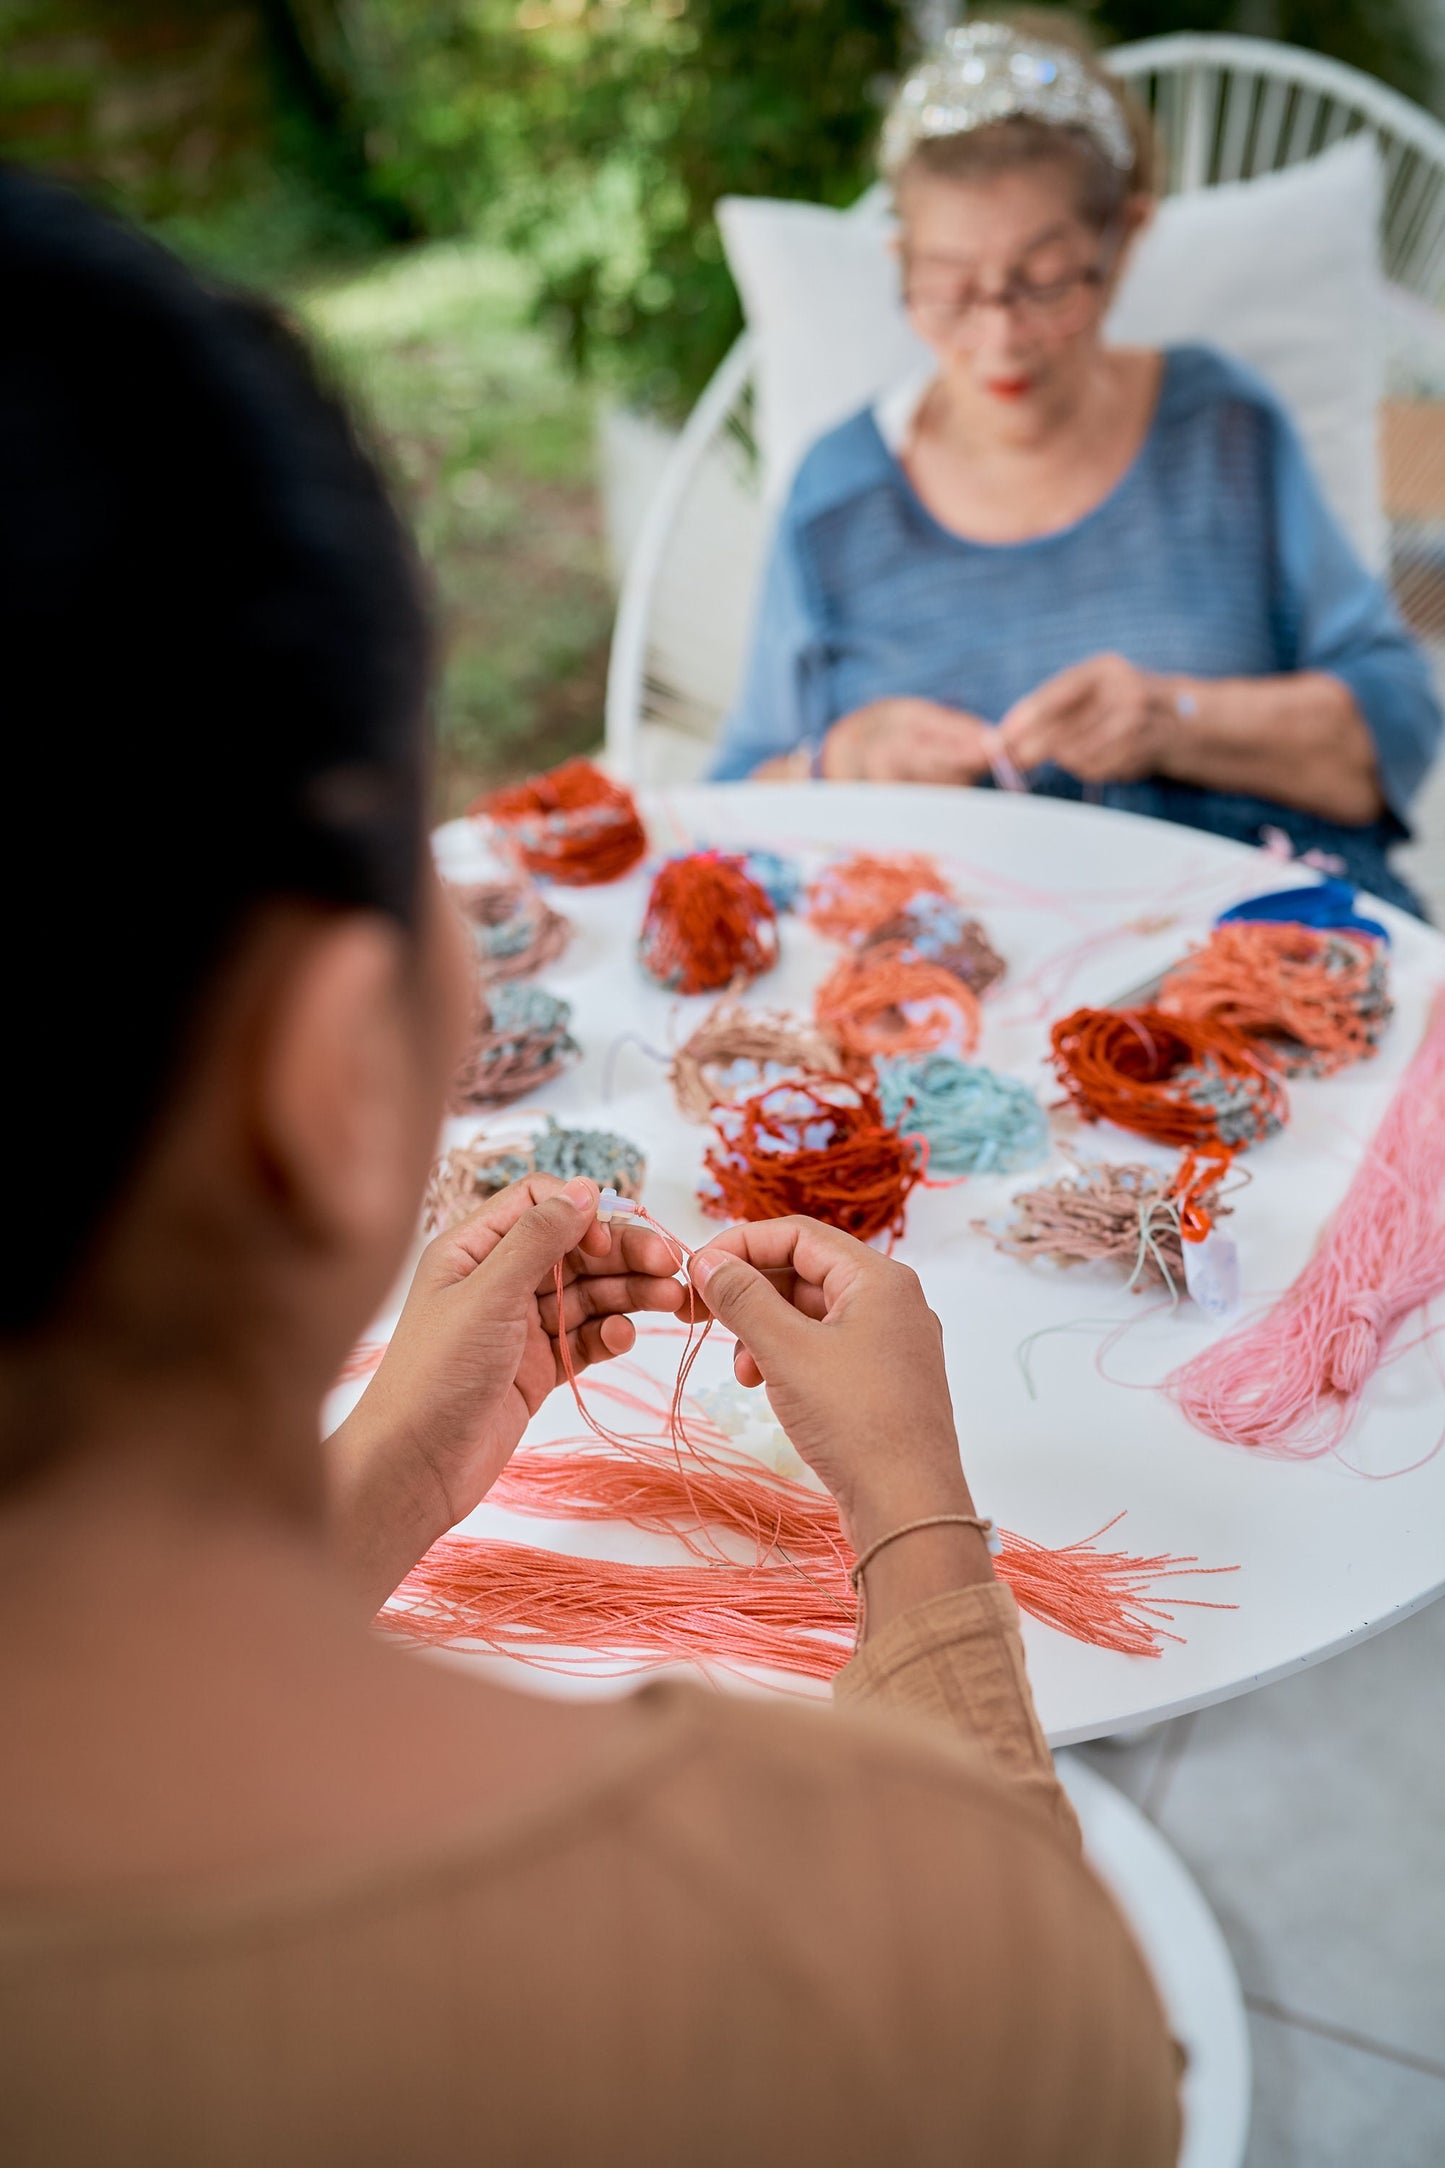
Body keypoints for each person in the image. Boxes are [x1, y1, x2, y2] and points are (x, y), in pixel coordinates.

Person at [0, 169, 1180, 2165]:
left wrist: (384, 1477)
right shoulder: (847, 1971)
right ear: (325, 1079)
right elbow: (1054, 2044)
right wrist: (909, 1525)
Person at [711, 16, 1442, 918]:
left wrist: (1173, 719)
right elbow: (727, 807)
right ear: (900, 263)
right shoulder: (839, 495)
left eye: (1046, 280)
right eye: (948, 287)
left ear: (1123, 240)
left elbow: (1395, 727)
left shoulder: (1223, 427)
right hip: (952, 990)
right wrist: (842, 765)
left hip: (1268, 939)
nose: (999, 338)